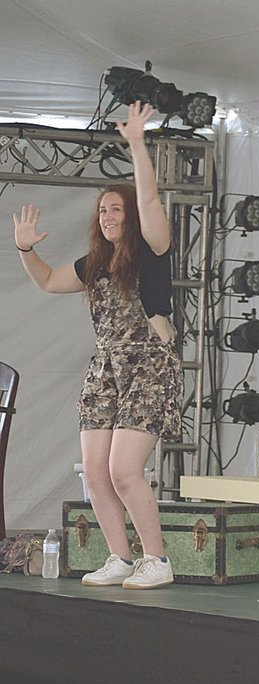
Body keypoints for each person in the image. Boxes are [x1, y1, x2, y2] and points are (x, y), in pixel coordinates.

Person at [13, 101, 182, 589]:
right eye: (102, 210)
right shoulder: (93, 264)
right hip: (105, 369)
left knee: (124, 470)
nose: (107, 216)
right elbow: (47, 280)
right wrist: (25, 248)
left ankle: (157, 560)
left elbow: (149, 200)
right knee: (95, 472)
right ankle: (120, 558)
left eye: (115, 209)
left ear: (130, 215)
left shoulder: (152, 249)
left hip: (148, 367)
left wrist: (137, 145)